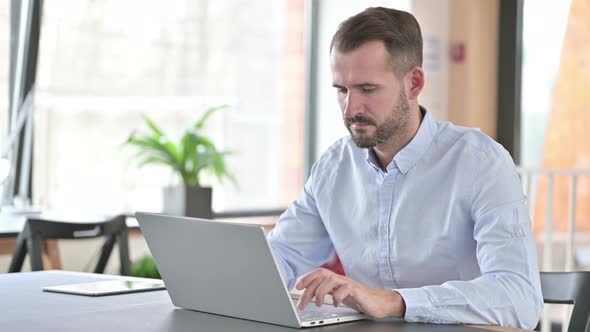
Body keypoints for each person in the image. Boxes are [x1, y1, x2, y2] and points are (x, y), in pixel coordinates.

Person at [267, 6, 543, 329]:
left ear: (413, 83)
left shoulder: (481, 164)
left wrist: (395, 302)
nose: (350, 108)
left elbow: (520, 297)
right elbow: (281, 256)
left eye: (367, 89)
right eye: (341, 90)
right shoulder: (333, 168)